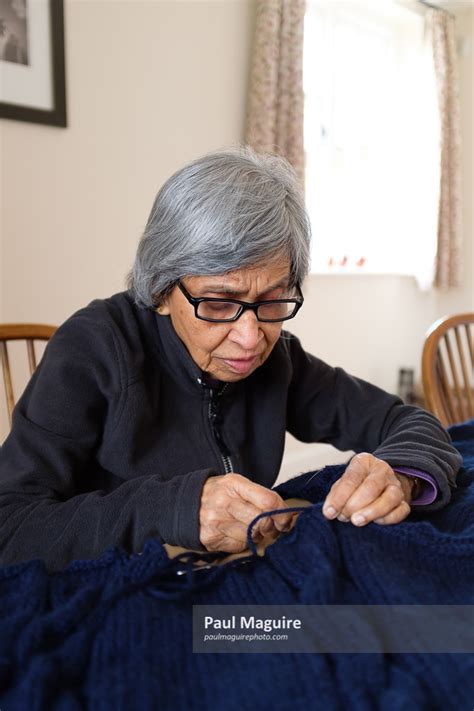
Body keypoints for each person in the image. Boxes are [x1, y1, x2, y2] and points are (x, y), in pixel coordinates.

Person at [0, 147, 461, 572]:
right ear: (162, 290)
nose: (250, 338)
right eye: (219, 303)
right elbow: (11, 523)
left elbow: (409, 423)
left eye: (273, 301)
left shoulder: (278, 361)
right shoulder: (92, 348)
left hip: (220, 585)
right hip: (110, 594)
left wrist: (400, 476)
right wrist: (178, 510)